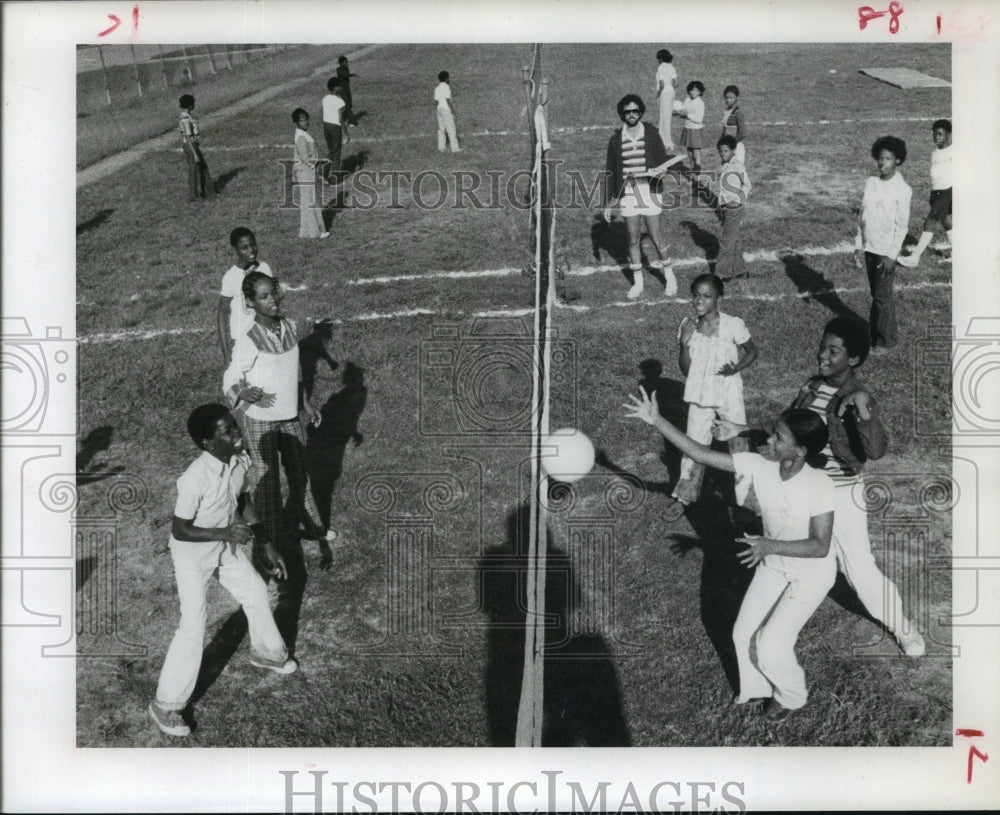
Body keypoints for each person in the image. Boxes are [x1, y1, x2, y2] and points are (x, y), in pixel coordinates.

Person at [714, 316, 925, 657]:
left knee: (858, 570)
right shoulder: (812, 386)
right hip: (804, 488)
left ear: (853, 359)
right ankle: (771, 626)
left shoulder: (858, 396)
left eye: (834, 351)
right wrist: (739, 428)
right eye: (822, 346)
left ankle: (903, 628)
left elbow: (875, 451)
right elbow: (785, 428)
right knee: (784, 556)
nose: (822, 355)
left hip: (840, 495)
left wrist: (863, 412)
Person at [627, 393, 836, 721]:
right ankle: (759, 688)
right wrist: (656, 420)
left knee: (771, 644)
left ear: (800, 451)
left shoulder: (820, 484)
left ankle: (792, 695)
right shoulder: (759, 465)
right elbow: (699, 453)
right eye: (773, 433)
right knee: (742, 634)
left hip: (812, 574)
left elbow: (820, 545)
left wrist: (769, 545)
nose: (768, 439)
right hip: (773, 562)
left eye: (778, 438)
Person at [148, 404, 295, 738]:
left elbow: (242, 502)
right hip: (192, 555)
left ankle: (267, 653)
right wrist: (226, 533)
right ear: (208, 443)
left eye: (235, 425)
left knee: (256, 592)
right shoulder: (194, 479)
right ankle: (165, 704)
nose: (238, 432)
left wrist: (265, 541)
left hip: (223, 545)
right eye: (228, 431)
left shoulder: (239, 461)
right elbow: (180, 530)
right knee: (192, 626)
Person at [223, 273, 338, 561]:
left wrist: (305, 403)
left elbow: (294, 370)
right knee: (268, 483)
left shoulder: (289, 326)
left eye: (272, 294)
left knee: (301, 475)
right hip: (261, 420)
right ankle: (269, 547)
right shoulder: (249, 339)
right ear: (251, 302)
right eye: (263, 297)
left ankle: (313, 528)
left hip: (289, 417)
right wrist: (243, 391)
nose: (271, 300)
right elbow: (230, 377)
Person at [663, 273, 757, 520]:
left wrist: (736, 368)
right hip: (699, 396)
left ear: (719, 298)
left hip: (728, 395)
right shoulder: (688, 326)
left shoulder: (733, 324)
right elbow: (686, 369)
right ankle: (685, 497)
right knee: (693, 447)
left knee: (739, 445)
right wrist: (683, 344)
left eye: (707, 296)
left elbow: (752, 351)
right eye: (696, 296)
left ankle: (746, 500)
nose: (700, 301)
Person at [602, 94, 685, 300]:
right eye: (628, 111)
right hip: (629, 192)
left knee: (656, 236)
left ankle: (670, 277)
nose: (632, 115)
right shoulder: (615, 140)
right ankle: (638, 283)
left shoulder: (651, 133)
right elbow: (611, 171)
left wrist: (663, 171)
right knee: (633, 238)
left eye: (635, 111)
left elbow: (661, 159)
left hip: (650, 189)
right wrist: (609, 203)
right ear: (622, 114)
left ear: (640, 112)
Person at [853, 136, 912, 354]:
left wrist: (892, 255)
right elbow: (862, 216)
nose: (882, 163)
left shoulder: (902, 189)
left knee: (881, 296)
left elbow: (902, 226)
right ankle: (878, 335)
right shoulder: (871, 183)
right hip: (871, 247)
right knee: (877, 295)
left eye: (887, 158)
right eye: (880, 158)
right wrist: (859, 244)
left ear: (897, 160)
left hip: (885, 252)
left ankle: (885, 341)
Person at [898, 119, 952, 268]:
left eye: (940, 134)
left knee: (931, 221)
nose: (936, 137)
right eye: (934, 134)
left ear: (948, 135)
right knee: (946, 220)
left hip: (948, 190)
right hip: (938, 191)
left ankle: (914, 258)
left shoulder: (955, 151)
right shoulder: (935, 153)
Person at [217, 227, 274, 366]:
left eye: (253, 244)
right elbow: (222, 313)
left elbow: (273, 301)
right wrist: (225, 352)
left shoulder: (265, 268)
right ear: (234, 249)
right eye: (244, 247)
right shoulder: (230, 277)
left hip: (266, 337)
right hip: (244, 341)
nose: (251, 250)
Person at [714, 135, 752, 280]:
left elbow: (747, 185)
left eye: (726, 151)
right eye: (721, 151)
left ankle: (721, 274)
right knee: (734, 239)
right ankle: (740, 271)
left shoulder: (737, 166)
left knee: (726, 241)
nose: (723, 154)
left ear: (733, 150)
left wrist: (738, 200)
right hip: (726, 207)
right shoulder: (725, 165)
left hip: (734, 208)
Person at [292, 108, 330, 240]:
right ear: (296, 122)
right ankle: (315, 232)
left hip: (306, 170)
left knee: (309, 200)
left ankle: (309, 231)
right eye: (302, 120)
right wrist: (319, 164)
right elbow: (306, 158)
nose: (305, 122)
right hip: (305, 171)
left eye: (306, 119)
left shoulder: (303, 134)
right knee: (310, 201)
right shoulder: (301, 137)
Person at [178, 94, 216, 201]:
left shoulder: (187, 116)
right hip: (191, 146)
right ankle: (194, 196)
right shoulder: (185, 118)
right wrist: (195, 154)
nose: (194, 105)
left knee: (202, 168)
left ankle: (209, 191)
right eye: (193, 103)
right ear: (189, 105)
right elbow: (188, 137)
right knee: (194, 170)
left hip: (193, 145)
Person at [321, 78, 350, 183]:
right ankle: (334, 178)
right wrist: (345, 133)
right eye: (339, 86)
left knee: (332, 151)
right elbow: (340, 119)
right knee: (336, 153)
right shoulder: (339, 101)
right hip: (335, 128)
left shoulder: (325, 98)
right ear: (335, 88)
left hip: (326, 126)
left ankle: (323, 171)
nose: (341, 88)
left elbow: (322, 114)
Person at [674, 80, 706, 172]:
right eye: (692, 90)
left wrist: (687, 115)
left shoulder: (700, 103)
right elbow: (682, 112)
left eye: (696, 90)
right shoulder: (687, 100)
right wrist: (677, 113)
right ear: (689, 91)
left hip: (696, 130)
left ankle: (698, 172)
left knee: (696, 153)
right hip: (687, 129)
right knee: (689, 153)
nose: (694, 92)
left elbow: (699, 119)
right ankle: (693, 171)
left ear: (700, 92)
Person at [654, 49, 678, 150]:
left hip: (665, 94)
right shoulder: (671, 67)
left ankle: (667, 142)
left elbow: (662, 84)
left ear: (661, 58)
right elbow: (676, 83)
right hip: (672, 92)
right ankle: (663, 140)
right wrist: (670, 88)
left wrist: (658, 94)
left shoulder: (661, 68)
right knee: (666, 117)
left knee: (664, 118)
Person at [435, 71, 461, 153]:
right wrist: (453, 112)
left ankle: (441, 147)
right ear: (446, 79)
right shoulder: (446, 87)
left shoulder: (437, 88)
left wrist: (439, 110)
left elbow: (436, 101)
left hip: (439, 109)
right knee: (451, 129)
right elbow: (448, 101)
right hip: (446, 109)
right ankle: (455, 148)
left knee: (441, 129)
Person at [720, 85, 747, 165]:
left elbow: (742, 133)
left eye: (731, 98)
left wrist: (731, 144)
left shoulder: (738, 113)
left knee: (737, 171)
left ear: (736, 98)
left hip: (736, 146)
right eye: (727, 98)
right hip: (727, 147)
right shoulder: (726, 112)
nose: (728, 100)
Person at [336, 55, 356, 126]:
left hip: (347, 89)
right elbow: (345, 75)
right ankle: (352, 121)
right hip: (342, 90)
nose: (347, 63)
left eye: (346, 62)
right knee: (347, 106)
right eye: (345, 62)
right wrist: (352, 74)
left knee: (349, 105)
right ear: (341, 63)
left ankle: (342, 119)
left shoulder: (346, 69)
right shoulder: (339, 69)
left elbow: (347, 75)